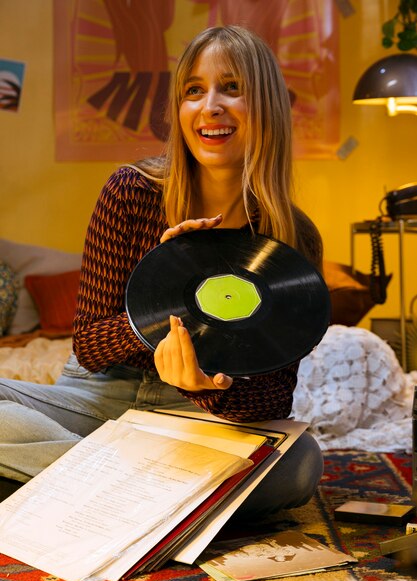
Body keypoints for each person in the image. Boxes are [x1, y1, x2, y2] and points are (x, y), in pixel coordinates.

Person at [0, 25, 324, 518]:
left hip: (201, 419)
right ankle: (158, 502)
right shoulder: (131, 192)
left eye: (232, 88)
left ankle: (80, 491)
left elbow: (273, 398)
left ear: (268, 107)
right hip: (101, 398)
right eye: (194, 90)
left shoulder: (295, 239)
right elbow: (89, 347)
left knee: (300, 464)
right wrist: (164, 290)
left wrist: (202, 387)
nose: (210, 105)